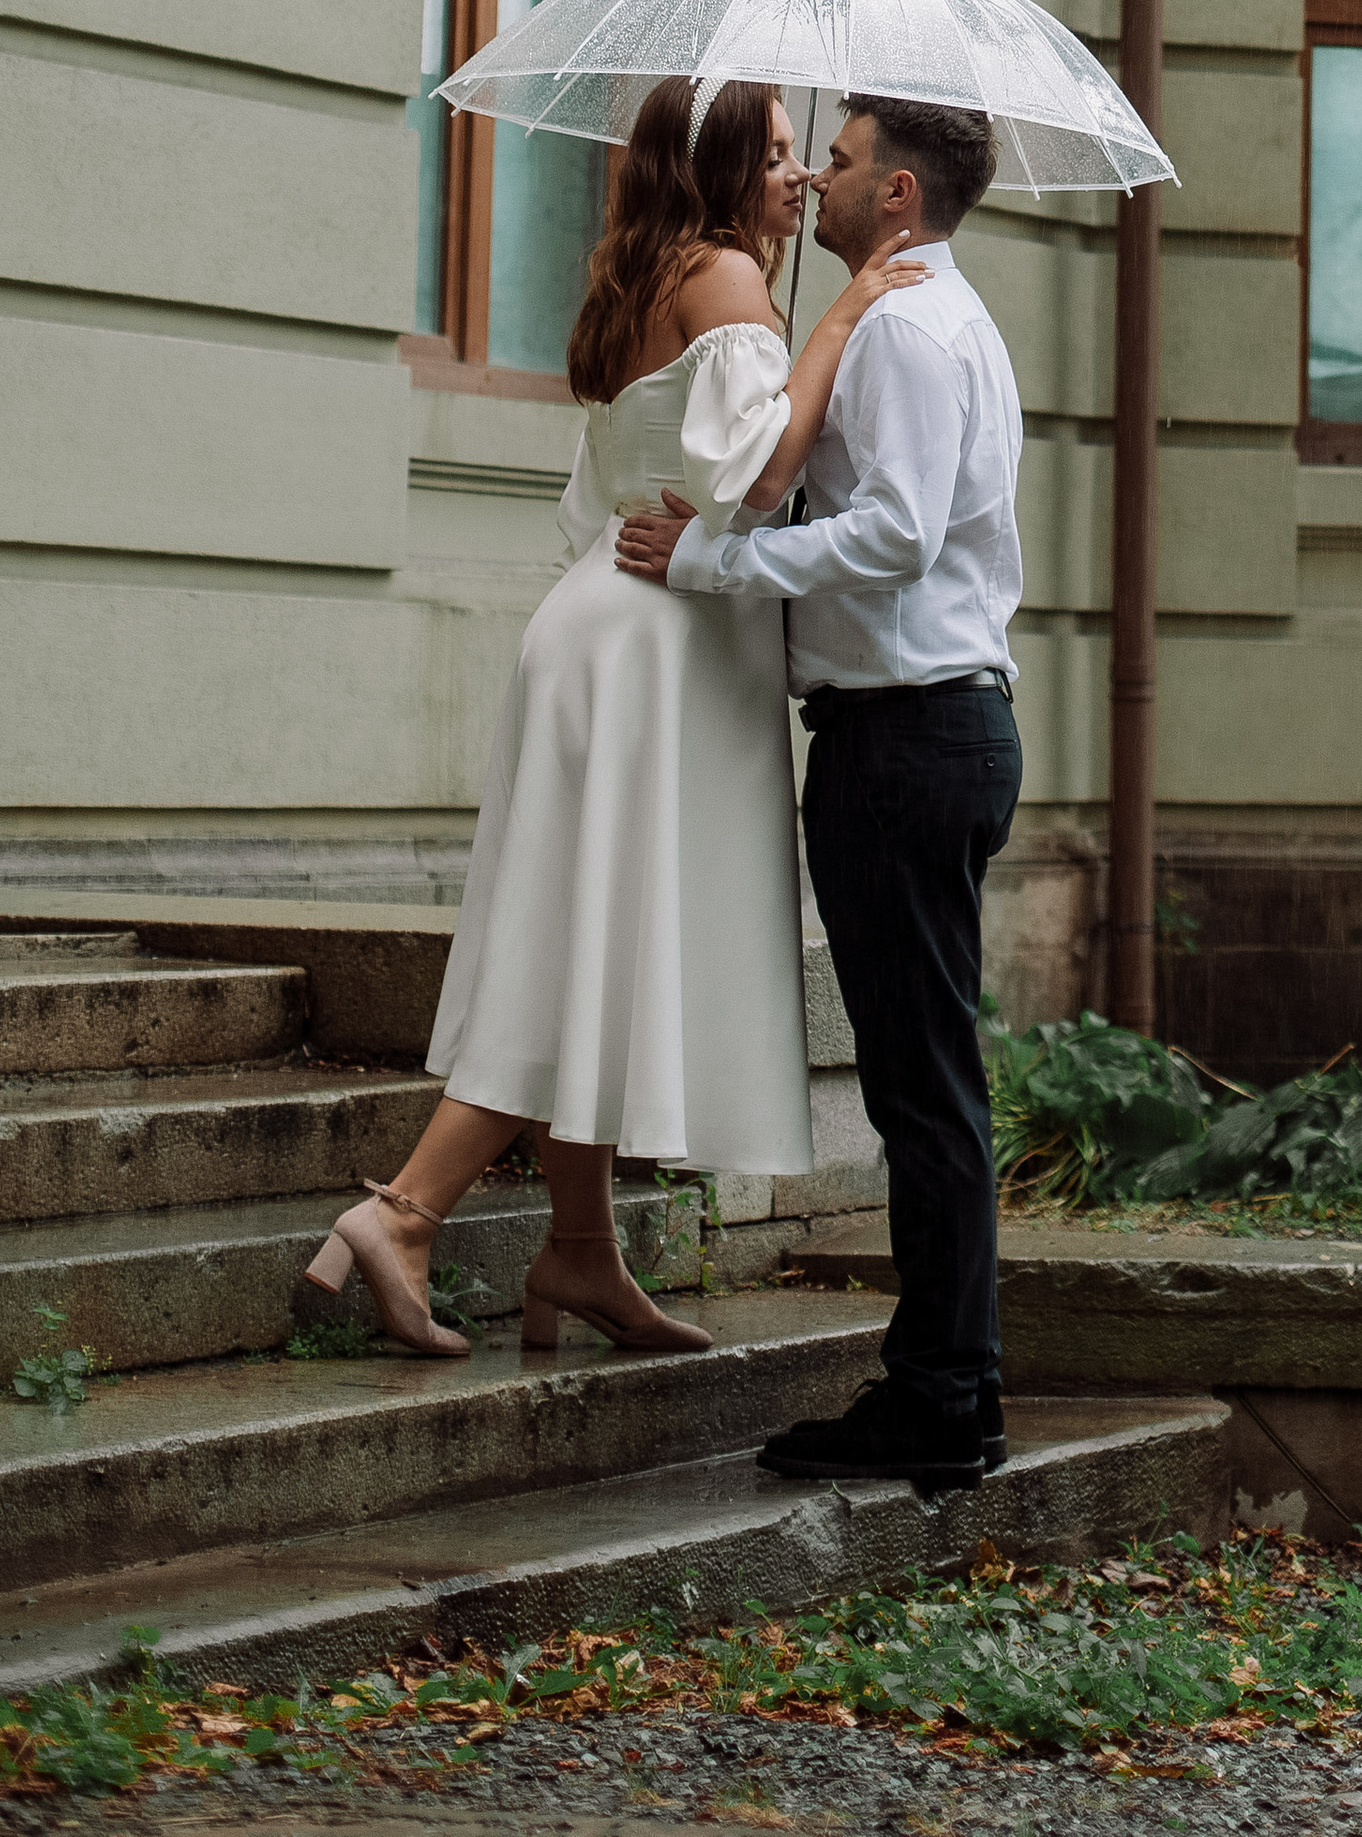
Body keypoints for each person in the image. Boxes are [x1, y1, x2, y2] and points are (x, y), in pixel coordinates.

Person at [297, 78, 921, 1359]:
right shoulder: (729, 283)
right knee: (582, 944)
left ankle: (579, 1254)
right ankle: (404, 1212)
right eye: (783, 156)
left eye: (808, 158)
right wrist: (847, 313)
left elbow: (610, 498)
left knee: (590, 934)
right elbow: (755, 476)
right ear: (727, 166)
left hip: (598, 621)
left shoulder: (641, 273)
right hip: (656, 644)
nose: (800, 181)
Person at [616, 93, 1022, 1491]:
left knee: (924, 1091)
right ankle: (952, 1387)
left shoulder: (905, 325)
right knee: (932, 1082)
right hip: (932, 730)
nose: (820, 180)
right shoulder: (938, 312)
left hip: (906, 740)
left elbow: (898, 534)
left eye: (838, 163)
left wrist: (712, 564)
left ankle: (940, 1397)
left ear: (896, 191)